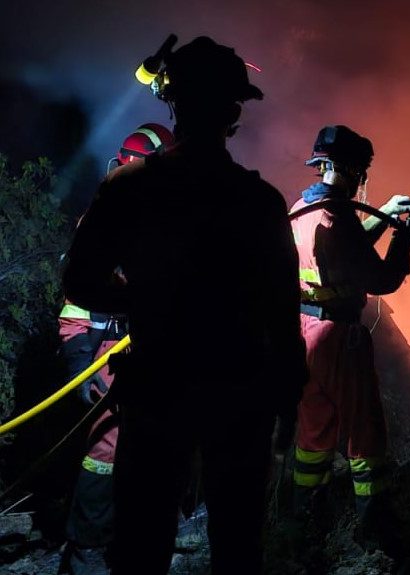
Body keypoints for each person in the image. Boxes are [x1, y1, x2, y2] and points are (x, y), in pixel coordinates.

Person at [62, 36, 307, 575]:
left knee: (141, 545)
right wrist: (288, 403)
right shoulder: (260, 203)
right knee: (237, 547)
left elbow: (80, 283)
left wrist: (147, 302)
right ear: (234, 112)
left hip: (156, 390)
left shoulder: (127, 190)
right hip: (239, 397)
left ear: (172, 102)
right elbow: (283, 318)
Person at [288, 125, 410, 552]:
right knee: (365, 430)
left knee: (315, 428)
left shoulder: (303, 209)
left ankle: (306, 516)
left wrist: (381, 211)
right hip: (340, 338)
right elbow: (379, 278)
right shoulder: (337, 218)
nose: (363, 179)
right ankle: (373, 526)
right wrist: (402, 238)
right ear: (352, 170)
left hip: (305, 332)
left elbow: (346, 255)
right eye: (362, 171)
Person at [58, 123, 174, 575]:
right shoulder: (106, 217)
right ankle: (85, 550)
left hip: (160, 352)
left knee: (152, 453)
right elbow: (77, 303)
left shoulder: (170, 216)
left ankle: (129, 546)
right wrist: (79, 363)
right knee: (104, 454)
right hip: (111, 352)